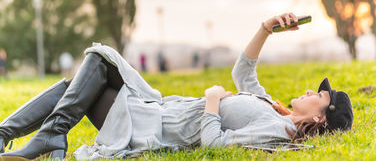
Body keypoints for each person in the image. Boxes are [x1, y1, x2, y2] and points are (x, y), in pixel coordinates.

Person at [0, 13, 353, 160]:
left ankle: (49, 137)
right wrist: (265, 28)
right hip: (155, 108)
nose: (309, 91)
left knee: (96, 64)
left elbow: (216, 144)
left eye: (318, 96)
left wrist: (213, 102)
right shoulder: (273, 108)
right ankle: (14, 137)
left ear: (322, 118)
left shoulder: (278, 130)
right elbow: (243, 71)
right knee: (78, 82)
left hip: (147, 126)